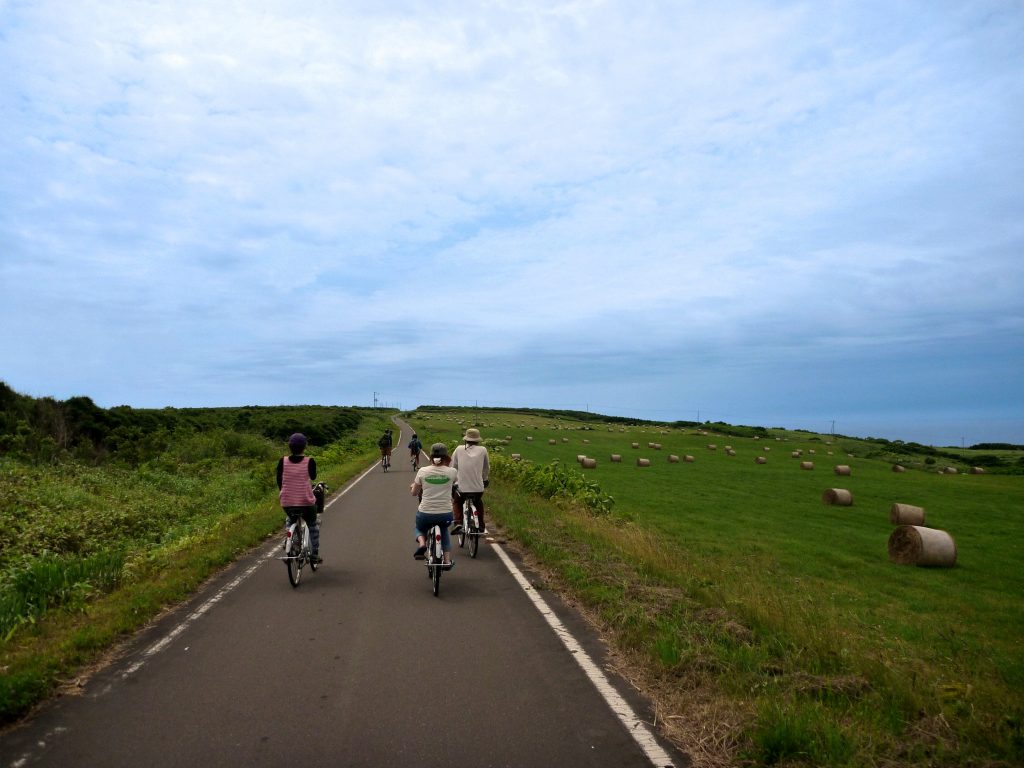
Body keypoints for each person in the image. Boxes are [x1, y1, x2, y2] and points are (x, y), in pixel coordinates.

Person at [410, 442, 457, 567]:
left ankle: (422, 544)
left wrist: (413, 487)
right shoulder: (452, 472)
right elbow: (455, 484)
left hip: (425, 513)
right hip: (445, 514)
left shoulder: (423, 471)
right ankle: (447, 560)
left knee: (419, 527)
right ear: (446, 457)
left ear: (430, 456)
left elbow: (414, 493)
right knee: (444, 531)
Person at [277, 432, 321, 564]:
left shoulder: (282, 461)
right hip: (305, 502)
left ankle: (288, 542)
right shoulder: (309, 461)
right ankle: (314, 554)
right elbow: (313, 477)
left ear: (289, 446)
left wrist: (286, 492)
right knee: (313, 524)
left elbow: (279, 480)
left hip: (287, 501)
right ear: (304, 446)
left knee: (290, 519)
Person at [451, 427, 489, 534]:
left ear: (466, 439)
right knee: (478, 503)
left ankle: (458, 522)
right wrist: (485, 479)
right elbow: (486, 468)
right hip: (478, 488)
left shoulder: (459, 449)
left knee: (457, 501)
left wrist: (453, 481)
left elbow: (453, 466)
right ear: (478, 440)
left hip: (462, 487)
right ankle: (481, 525)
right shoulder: (483, 450)